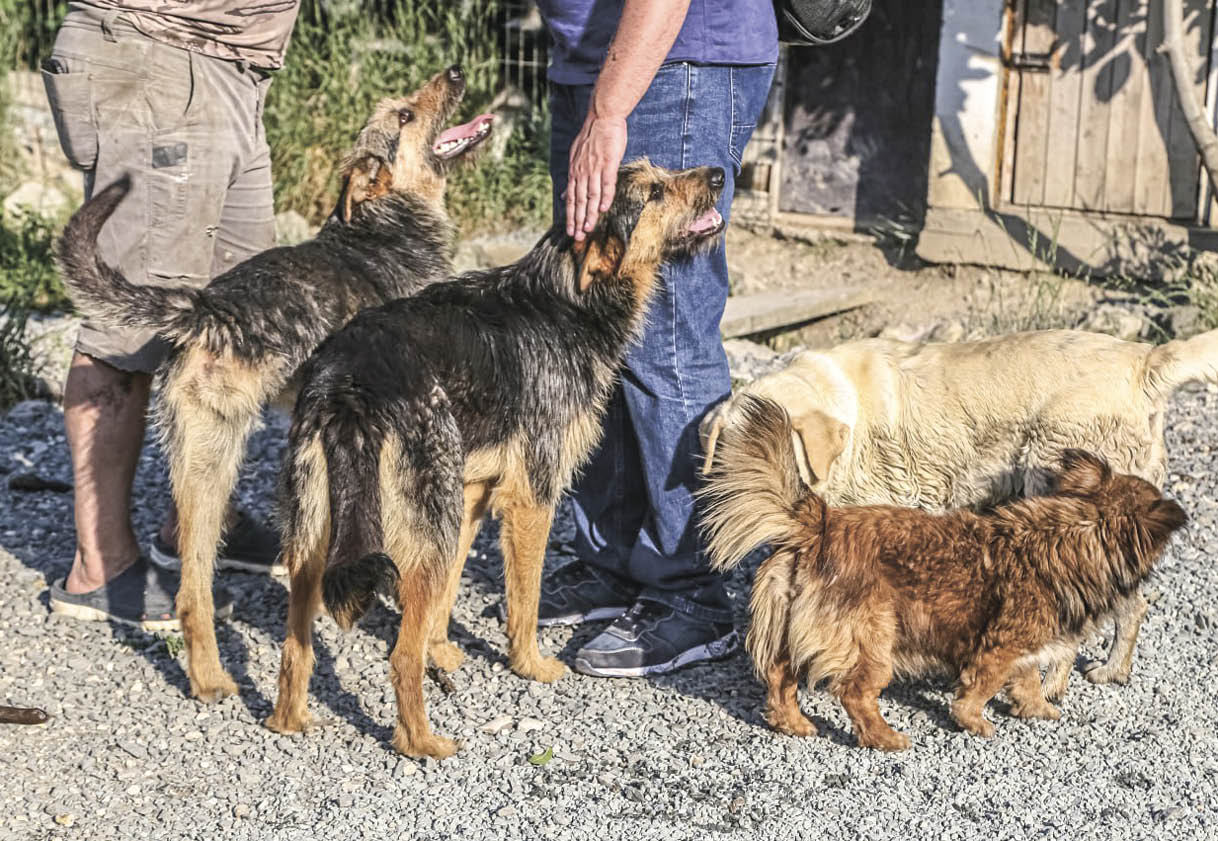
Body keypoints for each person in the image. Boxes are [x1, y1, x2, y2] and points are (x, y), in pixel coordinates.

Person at [534, 0, 778, 676]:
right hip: (592, 66)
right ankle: (612, 560)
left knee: (666, 341)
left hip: (671, 61)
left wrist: (610, 111)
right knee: (595, 322)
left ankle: (690, 588)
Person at [43, 1, 300, 628]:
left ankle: (197, 523)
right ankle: (99, 565)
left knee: (237, 326)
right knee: (128, 326)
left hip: (230, 71)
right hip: (159, 57)